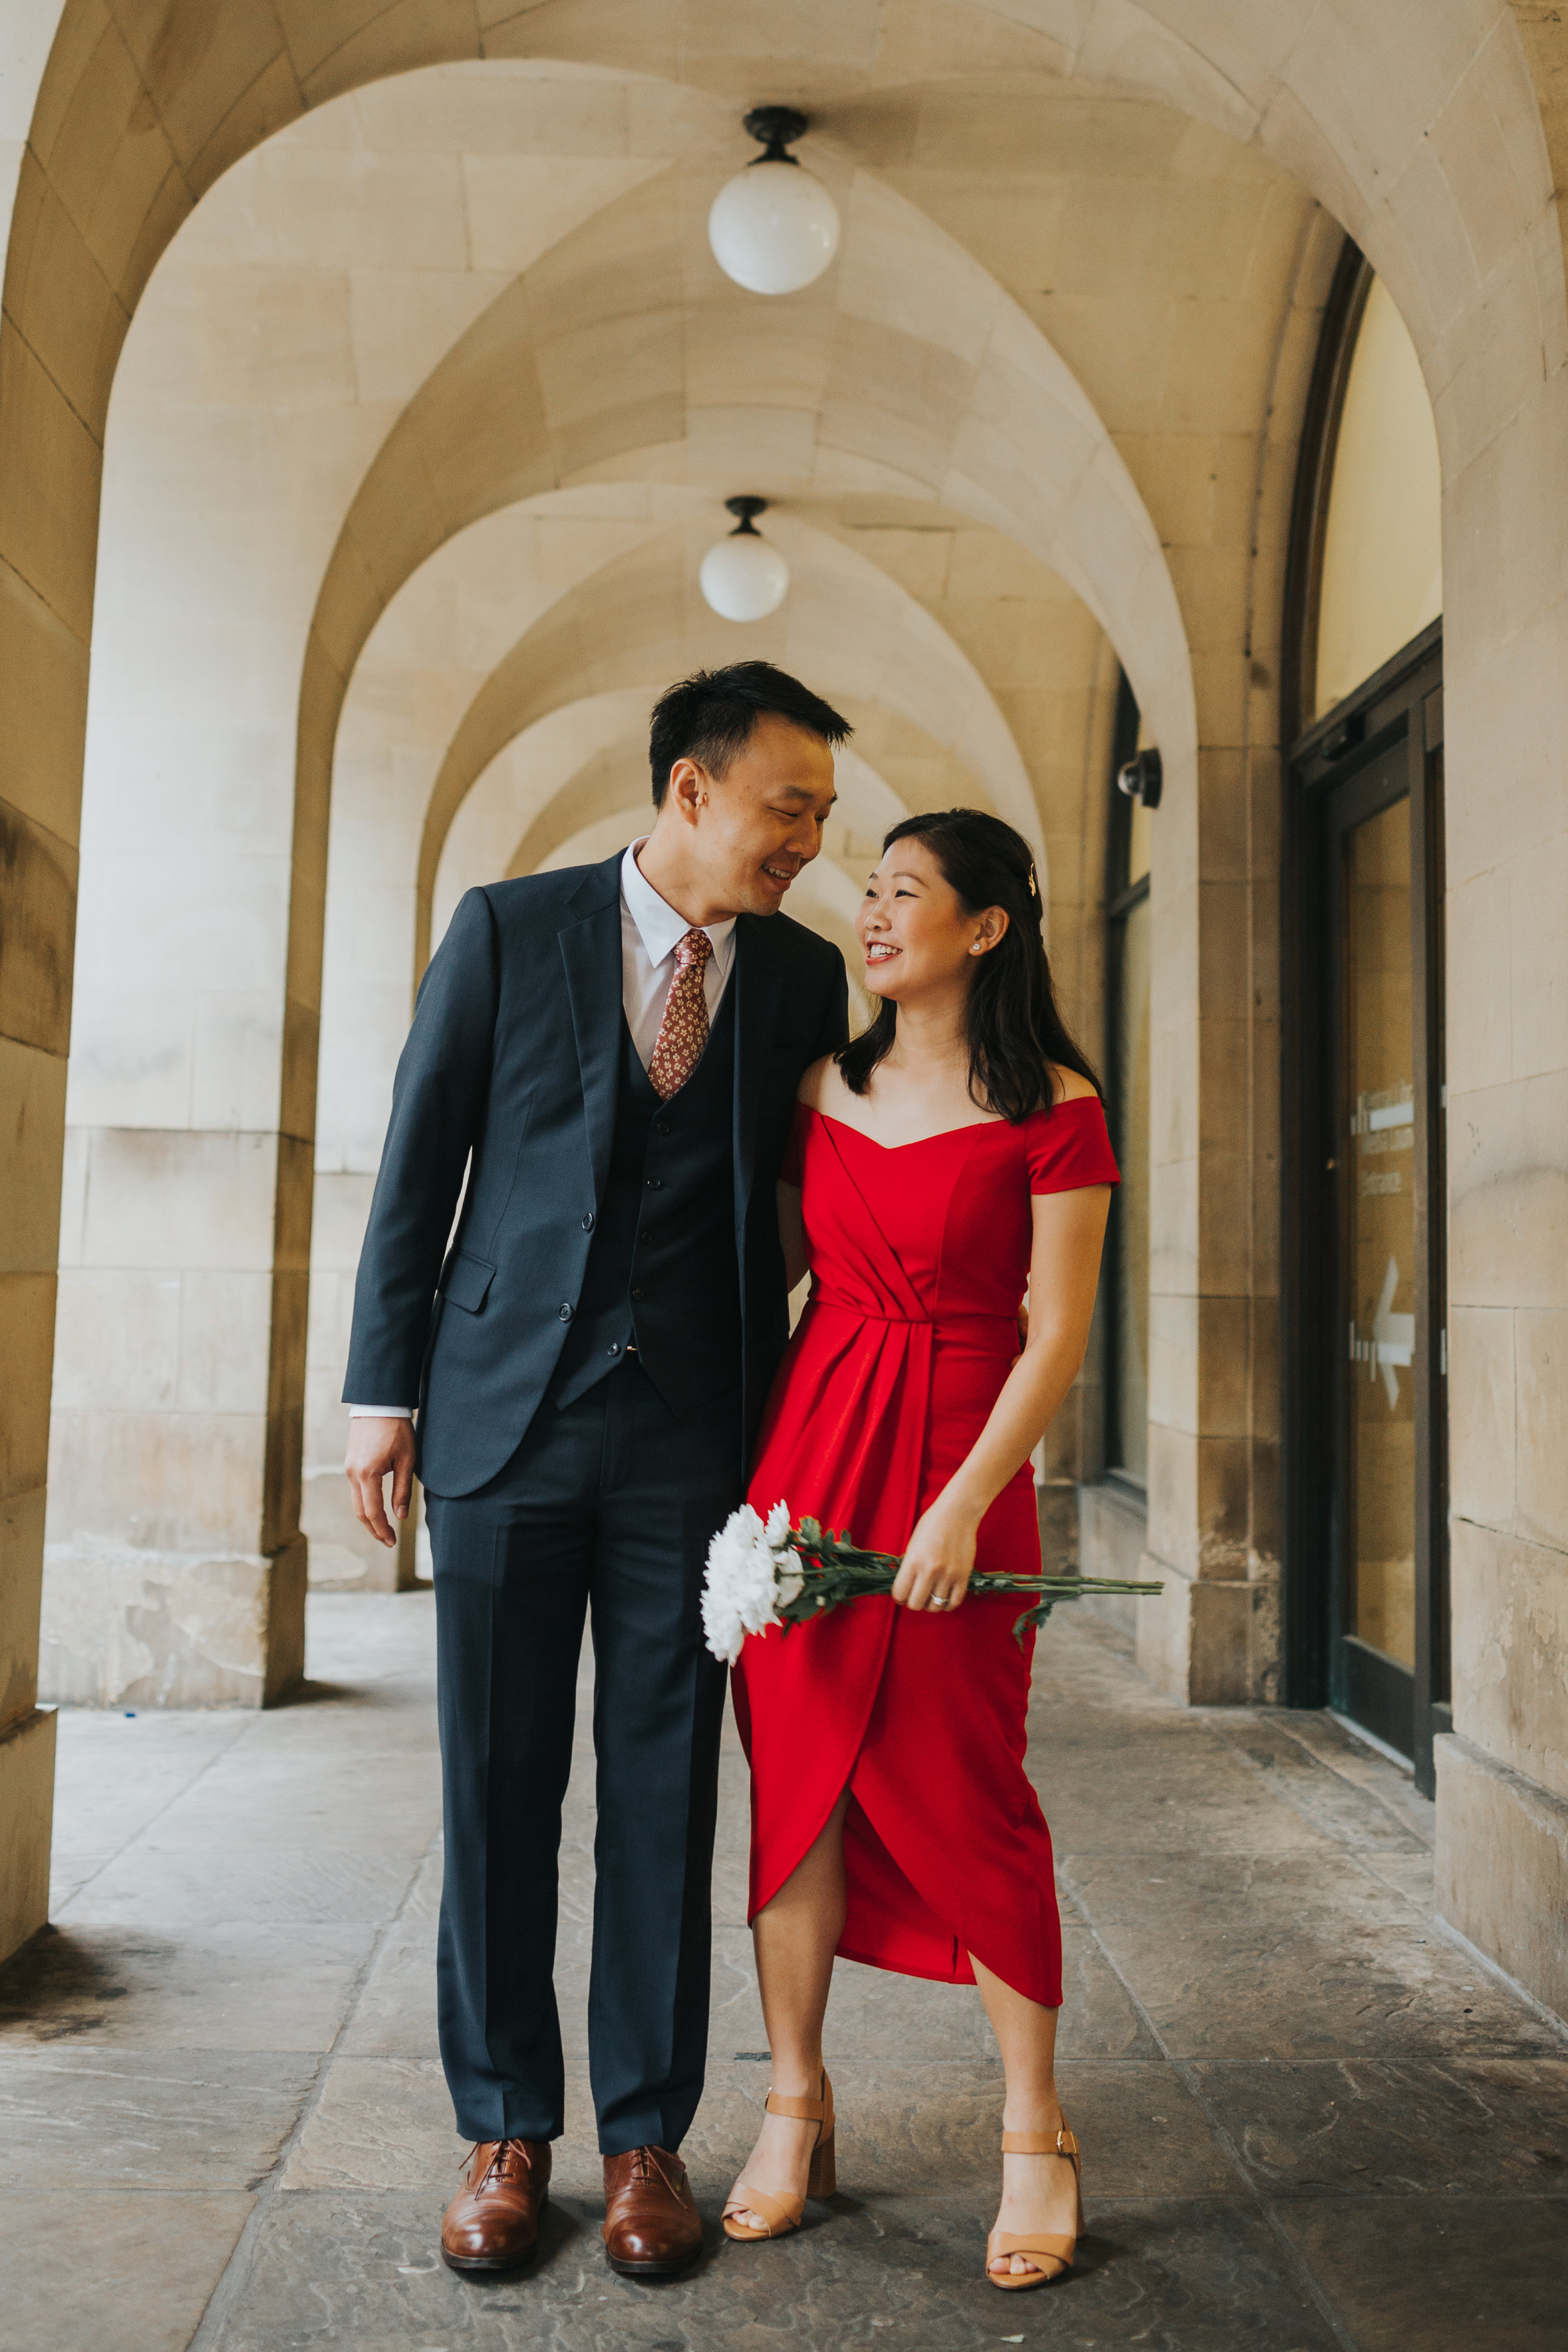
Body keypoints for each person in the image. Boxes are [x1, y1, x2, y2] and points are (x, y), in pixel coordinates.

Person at [341, 662, 850, 2279]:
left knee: (660, 1796)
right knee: (495, 1784)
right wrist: (382, 1397)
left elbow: (817, 1207)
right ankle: (503, 2128)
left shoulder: (800, 981)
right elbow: (420, 1164)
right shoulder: (507, 930)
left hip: (696, 1444)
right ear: (690, 791)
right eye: (790, 808)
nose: (808, 842)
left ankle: (643, 2143)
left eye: (823, 817)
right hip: (502, 1416)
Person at [724, 808, 1116, 2291]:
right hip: (810, 1466)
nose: (871, 915)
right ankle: (793, 2103)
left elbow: (1057, 1331)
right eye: (867, 893)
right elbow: (779, 1279)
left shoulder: (1055, 1104)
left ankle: (1035, 2128)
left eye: (903, 894)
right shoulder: (817, 1084)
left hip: (966, 1470)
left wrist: (958, 1501)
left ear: (985, 929)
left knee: (973, 1788)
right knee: (797, 1795)